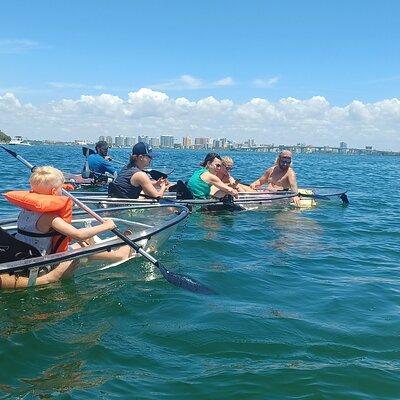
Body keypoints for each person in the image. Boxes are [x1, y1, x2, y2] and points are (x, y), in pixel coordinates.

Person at [1, 166, 132, 289]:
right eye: (60, 189)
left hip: (24, 254)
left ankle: (93, 255)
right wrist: (106, 226)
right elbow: (78, 235)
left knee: (85, 239)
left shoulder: (25, 210)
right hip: (41, 263)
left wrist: (59, 187)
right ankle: (119, 256)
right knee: (84, 243)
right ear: (54, 191)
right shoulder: (49, 217)